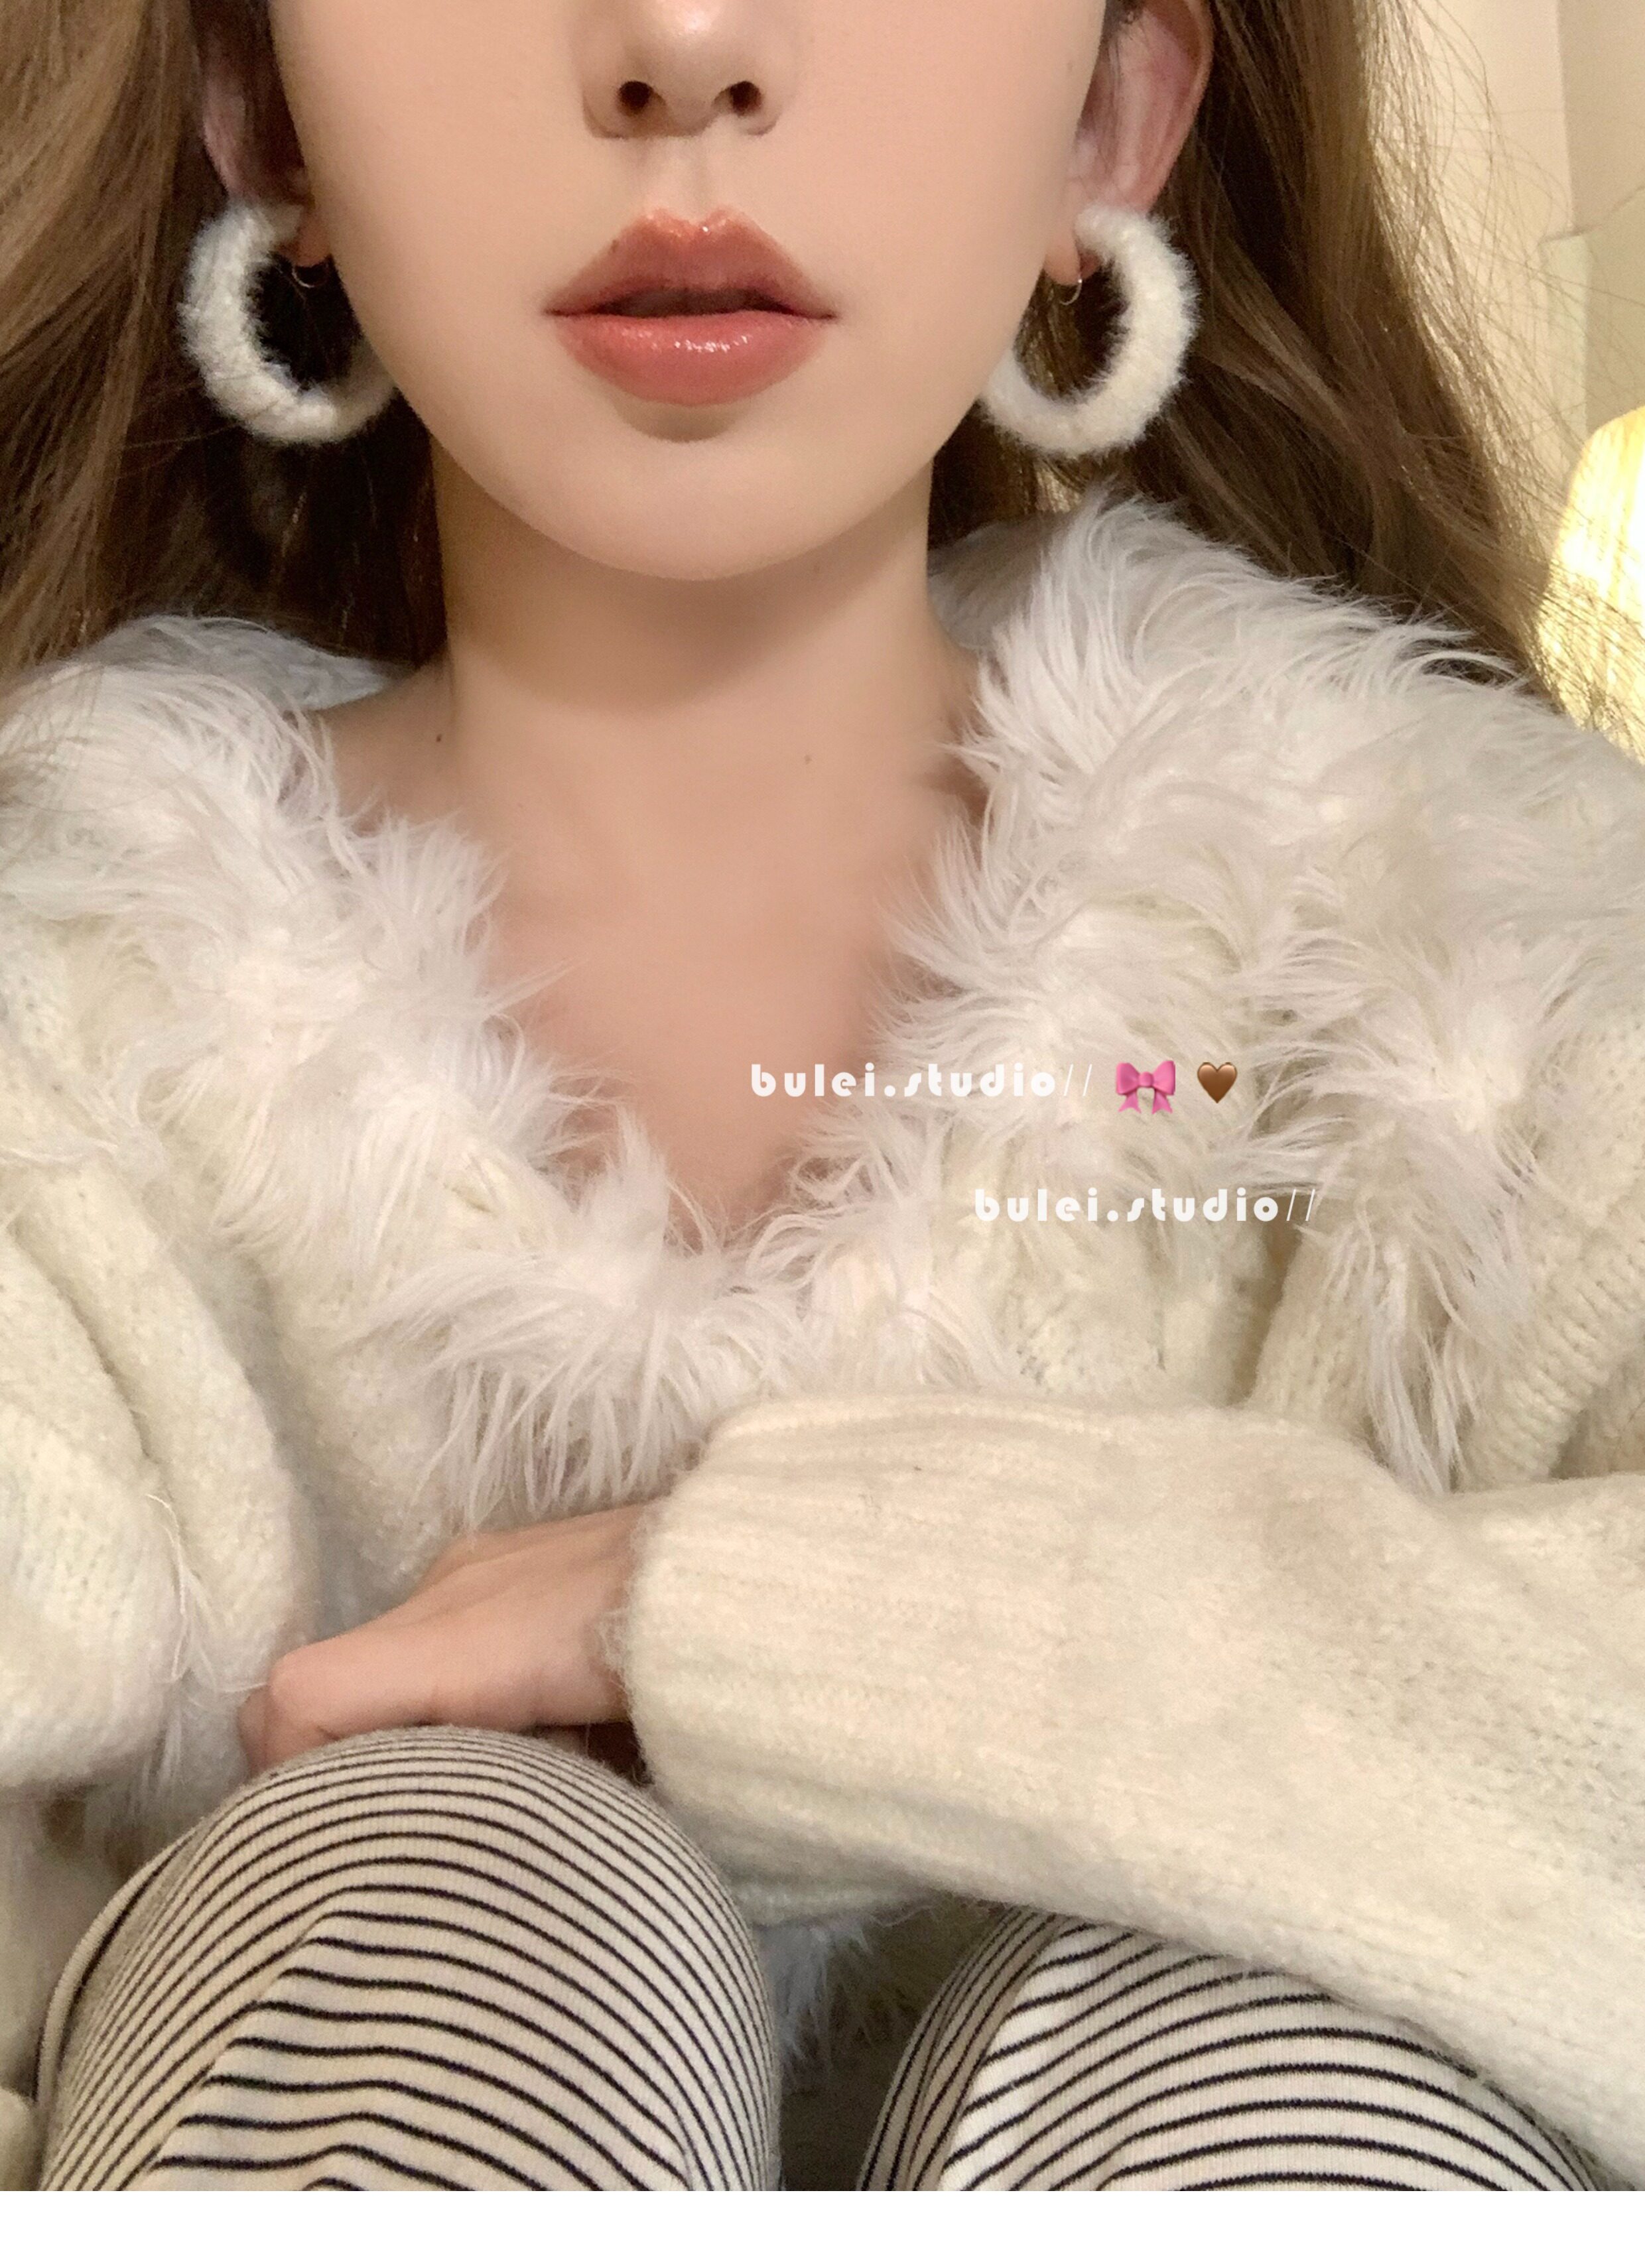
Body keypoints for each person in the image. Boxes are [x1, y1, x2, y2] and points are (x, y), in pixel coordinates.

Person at [0, 0, 1641, 2194]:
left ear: (1115, 116)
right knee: (444, 1905)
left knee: (1280, 1994)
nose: (687, 47)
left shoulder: (1477, 949)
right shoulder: (58, 1035)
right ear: (260, 112)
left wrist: (814, 1612)